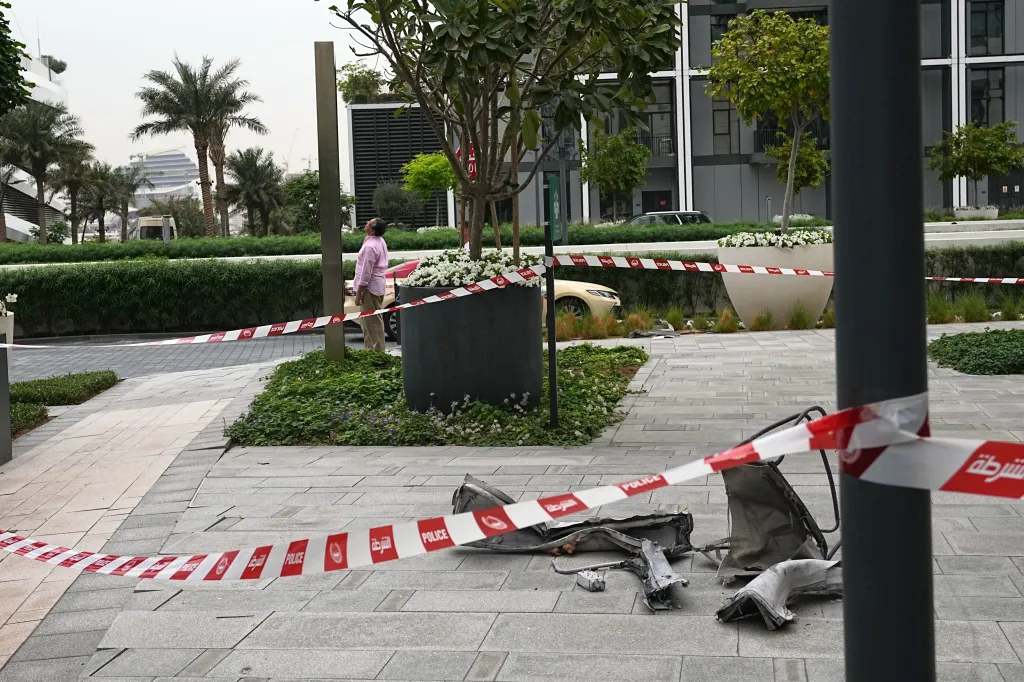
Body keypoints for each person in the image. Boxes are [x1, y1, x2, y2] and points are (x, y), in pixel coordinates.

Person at [353, 217, 389, 350]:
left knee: (372, 322)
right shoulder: (378, 241)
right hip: (376, 285)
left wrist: (358, 293)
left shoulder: (370, 247)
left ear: (373, 231)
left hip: (370, 288)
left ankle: (377, 353)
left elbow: (366, 273)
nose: (366, 223)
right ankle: (370, 351)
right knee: (367, 322)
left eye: (369, 223)